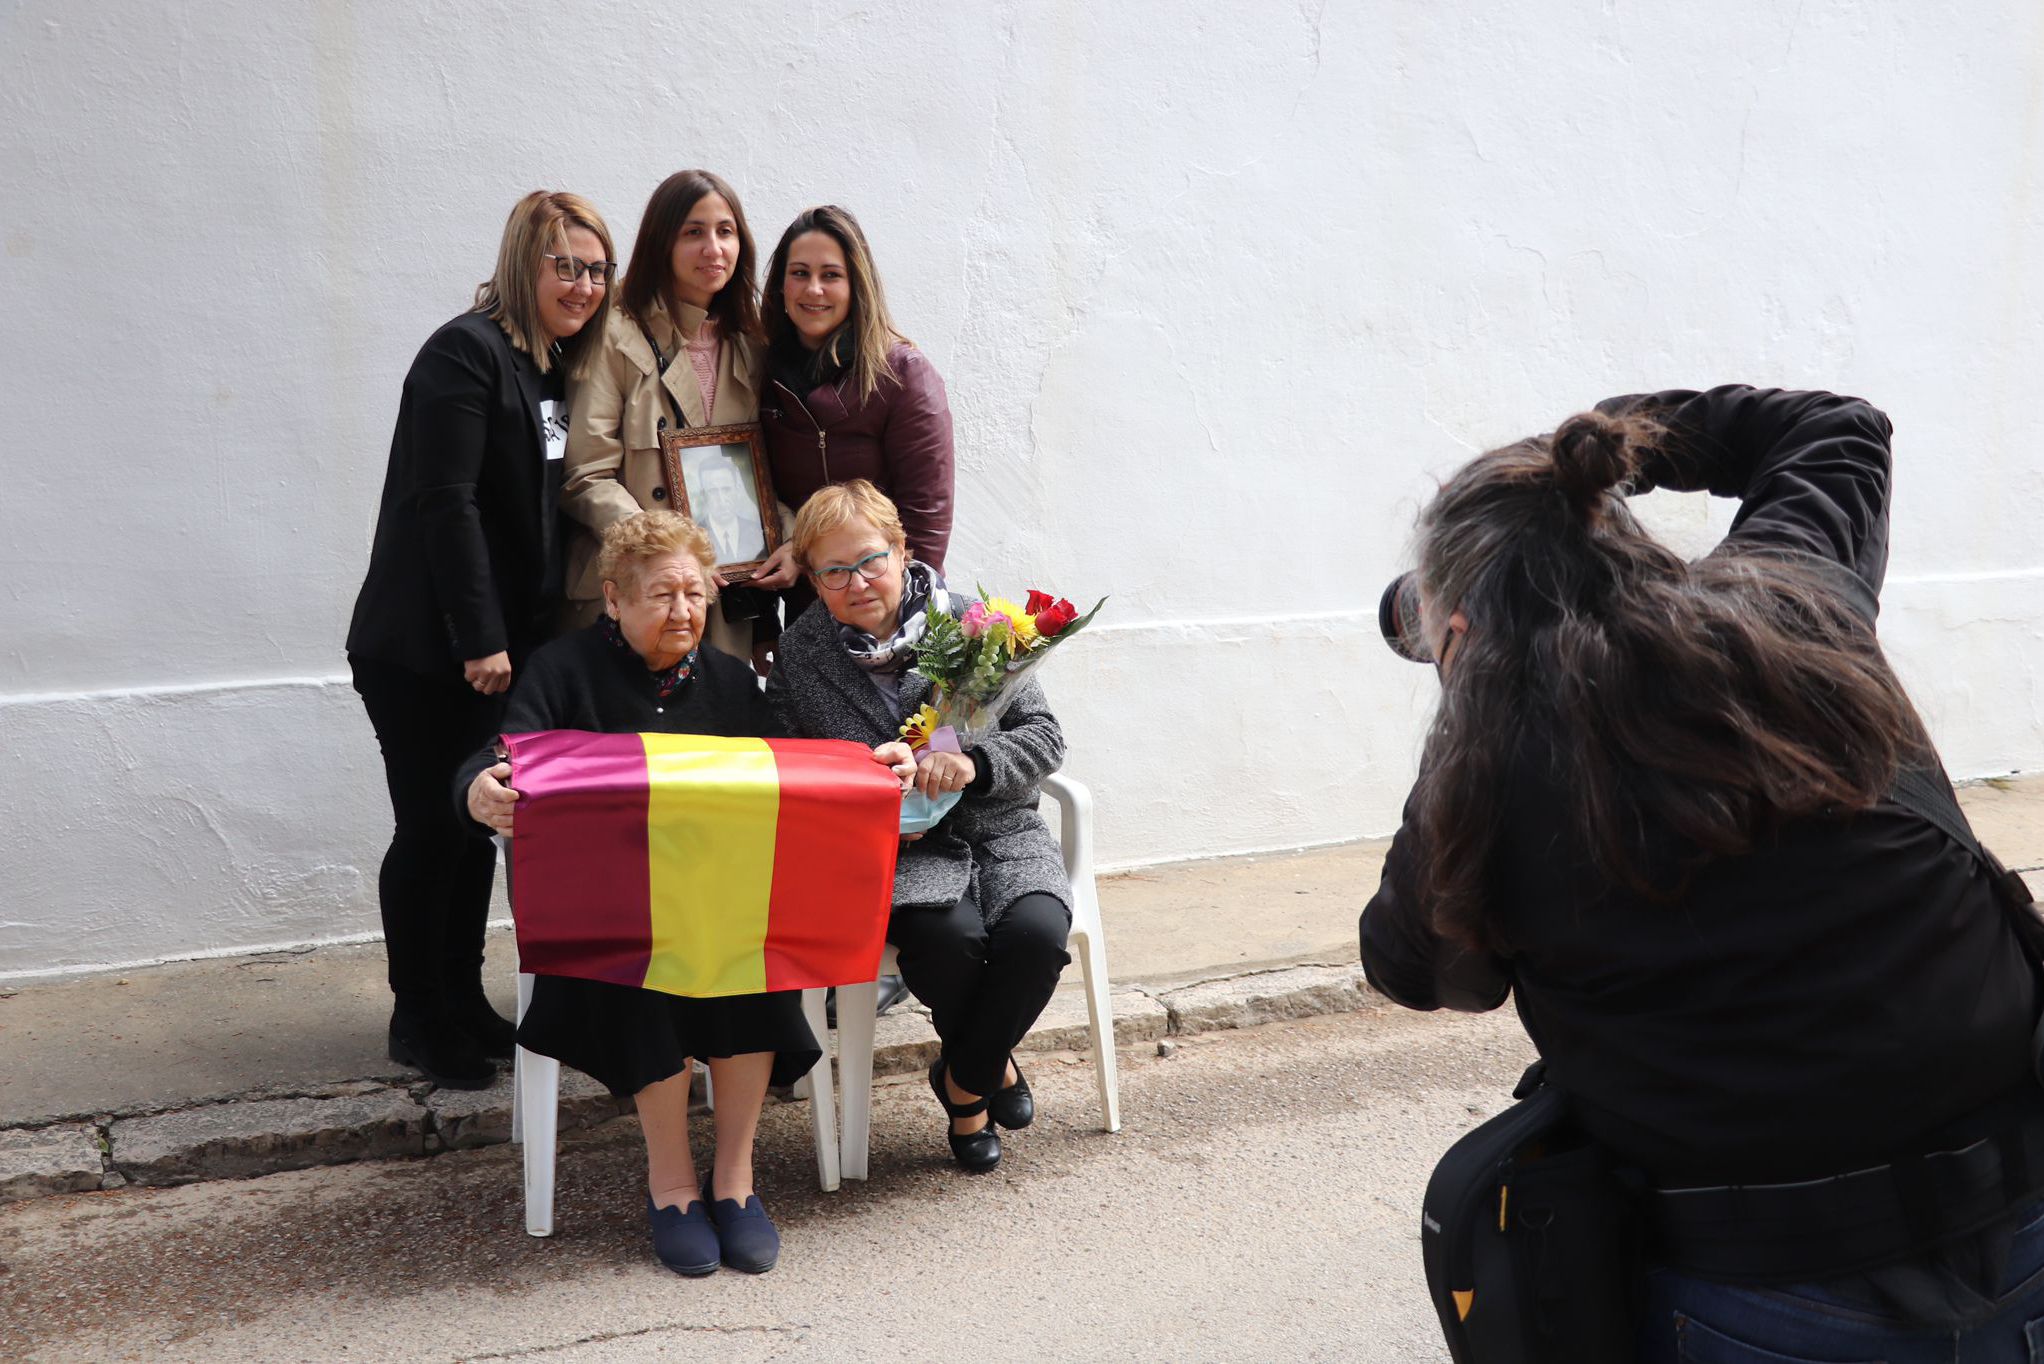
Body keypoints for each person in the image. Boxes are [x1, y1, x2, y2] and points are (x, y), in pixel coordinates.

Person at [1359, 386, 2044, 1360]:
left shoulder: (1486, 782)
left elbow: (1416, 968)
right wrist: (1603, 440)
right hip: (2020, 1217)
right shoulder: (1791, 597)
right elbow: (1834, 427)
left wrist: (1469, 704)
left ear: (1461, 638)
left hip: (1762, 1286)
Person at [459, 511, 818, 1275]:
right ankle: (673, 1185)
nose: (683, 611)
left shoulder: (729, 683)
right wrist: (478, 791)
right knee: (647, 975)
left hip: (711, 905)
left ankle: (736, 1181)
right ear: (614, 600)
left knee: (755, 969)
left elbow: (789, 775)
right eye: (661, 596)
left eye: (694, 593)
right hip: (605, 913)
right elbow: (500, 760)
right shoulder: (560, 671)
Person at [346, 190, 615, 1090]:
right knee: (430, 827)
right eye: (564, 265)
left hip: (495, 651)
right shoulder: (464, 354)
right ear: (522, 264)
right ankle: (417, 1015)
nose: (582, 284)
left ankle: (461, 998)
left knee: (475, 829)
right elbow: (445, 503)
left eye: (595, 268)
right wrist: (481, 637)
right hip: (428, 649)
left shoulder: (545, 366)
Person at [767, 481, 1070, 1172]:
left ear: (904, 550)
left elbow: (1045, 738)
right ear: (813, 581)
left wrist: (964, 758)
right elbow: (790, 764)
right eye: (834, 571)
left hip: (1000, 831)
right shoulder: (801, 654)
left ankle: (960, 1081)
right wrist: (865, 790)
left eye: (871, 559)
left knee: (1037, 938)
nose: (857, 582)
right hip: (891, 848)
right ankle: (985, 1080)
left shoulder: (975, 623)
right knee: (949, 942)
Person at [561, 170, 767, 658]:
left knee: (715, 734)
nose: (713, 249)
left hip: (723, 601)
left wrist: (785, 540)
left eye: (725, 231)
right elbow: (585, 475)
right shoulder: (613, 333)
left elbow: (755, 480)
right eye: (692, 232)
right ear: (661, 241)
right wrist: (663, 552)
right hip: (631, 599)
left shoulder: (751, 343)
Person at [752, 205, 955, 626]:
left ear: (856, 284)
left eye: (831, 275)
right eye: (800, 273)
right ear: (779, 285)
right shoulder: (761, 372)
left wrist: (902, 613)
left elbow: (926, 516)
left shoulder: (901, 374)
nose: (814, 290)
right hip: (807, 609)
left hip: (889, 609)